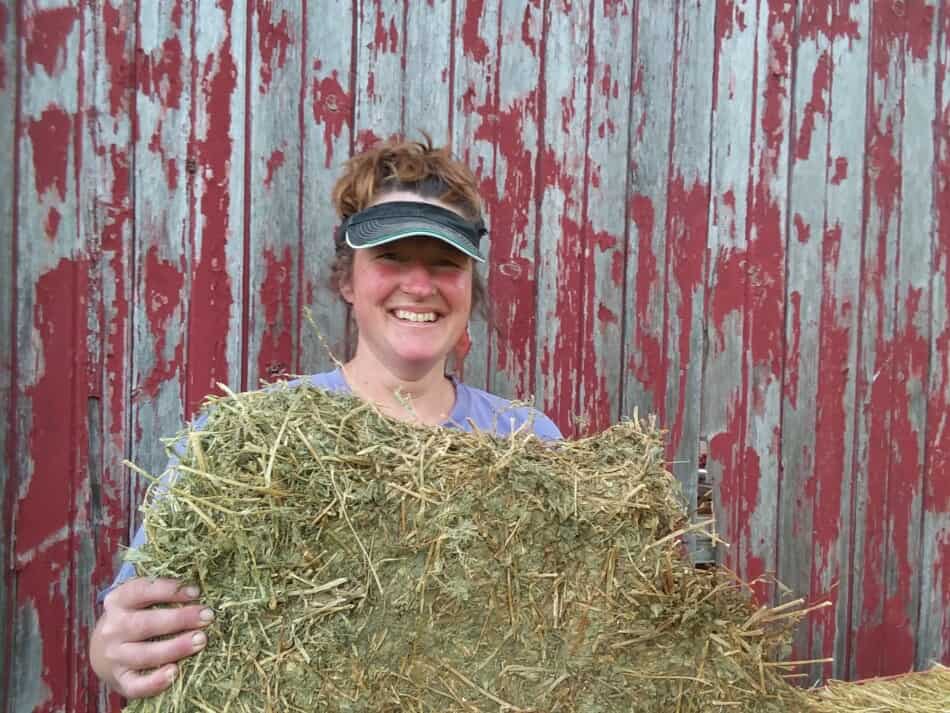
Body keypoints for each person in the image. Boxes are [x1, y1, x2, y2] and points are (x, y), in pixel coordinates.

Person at [89, 136, 562, 699]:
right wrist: (110, 650)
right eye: (390, 258)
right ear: (347, 281)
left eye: (444, 264)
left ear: (469, 287)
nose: (419, 284)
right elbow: (125, 633)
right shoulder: (247, 439)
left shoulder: (528, 442)